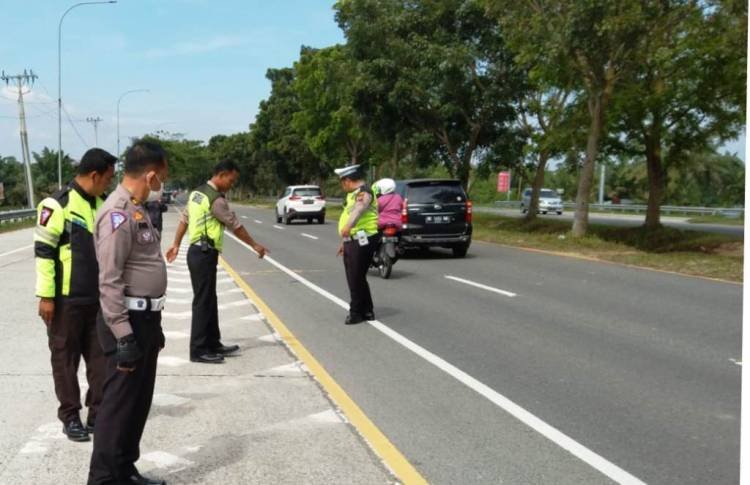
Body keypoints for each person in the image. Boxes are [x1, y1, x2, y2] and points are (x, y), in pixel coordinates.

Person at [88, 140, 169, 485]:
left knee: (137, 403)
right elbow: (109, 279)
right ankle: (104, 478)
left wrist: (154, 323)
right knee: (119, 405)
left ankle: (124, 469)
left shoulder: (136, 208)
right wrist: (123, 333)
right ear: (150, 175)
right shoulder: (117, 213)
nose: (162, 184)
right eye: (162, 177)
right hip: (127, 322)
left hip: (145, 318)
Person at [34, 148, 116, 442]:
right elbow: (44, 253)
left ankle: (97, 414)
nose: (109, 184)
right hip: (65, 300)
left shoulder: (102, 203)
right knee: (65, 361)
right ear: (94, 175)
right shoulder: (57, 205)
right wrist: (46, 296)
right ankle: (70, 417)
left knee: (101, 360)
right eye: (107, 178)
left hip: (97, 300)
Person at [165, 159, 267, 364]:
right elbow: (234, 225)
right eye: (231, 179)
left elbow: (184, 219)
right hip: (203, 253)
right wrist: (254, 245)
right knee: (203, 302)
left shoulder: (197, 193)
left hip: (199, 253)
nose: (232, 184)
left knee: (209, 299)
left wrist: (176, 244)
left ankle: (213, 342)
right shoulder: (215, 200)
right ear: (221, 175)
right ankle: (199, 349)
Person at [335, 164, 379, 325]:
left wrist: (348, 227)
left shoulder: (364, 193)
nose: (342, 186)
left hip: (363, 239)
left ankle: (356, 313)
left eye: (342, 182)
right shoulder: (354, 194)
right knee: (358, 277)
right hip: (353, 240)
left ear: (347, 180)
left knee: (354, 277)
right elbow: (348, 213)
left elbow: (359, 210)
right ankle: (367, 310)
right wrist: (344, 241)